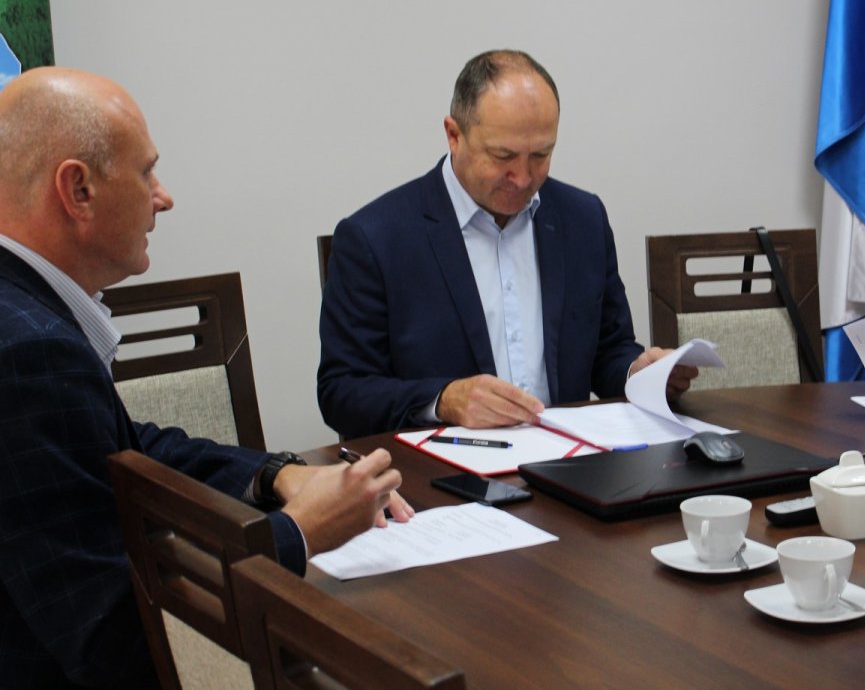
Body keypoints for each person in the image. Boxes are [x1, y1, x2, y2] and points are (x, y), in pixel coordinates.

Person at [0, 66, 415, 690]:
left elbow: (126, 446)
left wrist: (275, 474)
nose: (163, 197)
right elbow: (112, 635)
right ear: (78, 190)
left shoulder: (24, 315)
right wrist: (299, 533)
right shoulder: (28, 353)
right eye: (146, 173)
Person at [318, 50, 695, 438]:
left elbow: (608, 351)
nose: (523, 177)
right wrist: (443, 399)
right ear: (454, 135)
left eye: (541, 155)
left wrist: (640, 374)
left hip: (569, 461)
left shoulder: (583, 219)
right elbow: (341, 392)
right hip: (442, 466)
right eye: (503, 156)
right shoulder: (375, 239)